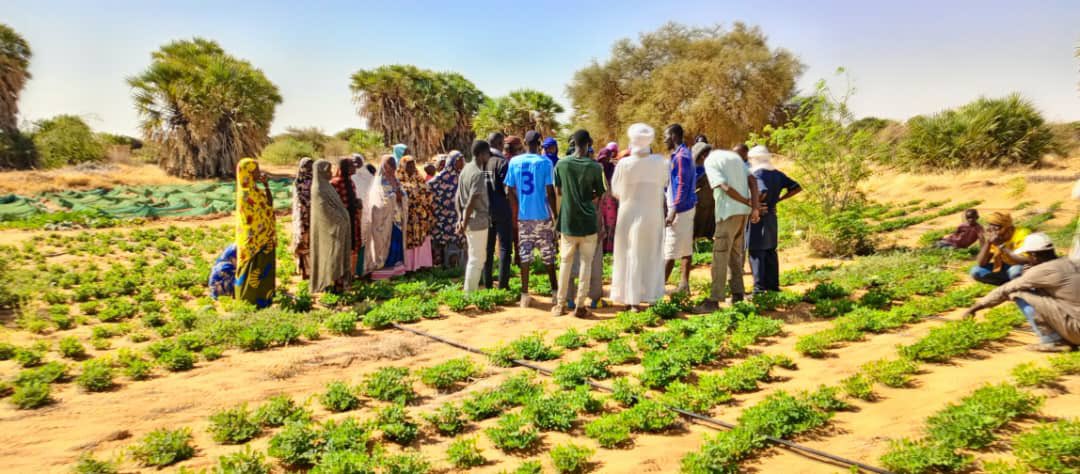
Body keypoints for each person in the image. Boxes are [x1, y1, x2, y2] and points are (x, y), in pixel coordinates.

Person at [962, 233, 1079, 352]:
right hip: (1074, 318)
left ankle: (1053, 341)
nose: (1027, 258)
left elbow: (1005, 289)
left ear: (1034, 255)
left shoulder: (1043, 270)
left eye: (1028, 255)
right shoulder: (1070, 262)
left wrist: (974, 308)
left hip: (1076, 329)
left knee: (1017, 292)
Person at [610, 123, 670, 308]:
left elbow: (616, 191)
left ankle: (631, 301)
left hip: (628, 213)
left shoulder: (624, 163)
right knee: (651, 254)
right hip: (653, 214)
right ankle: (651, 297)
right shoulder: (661, 162)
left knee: (629, 254)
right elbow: (665, 183)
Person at [553, 129, 607, 317]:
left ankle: (560, 305)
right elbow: (600, 195)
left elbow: (558, 192)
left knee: (565, 263)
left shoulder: (561, 164)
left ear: (573, 143)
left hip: (568, 222)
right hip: (588, 224)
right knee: (586, 264)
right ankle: (580, 306)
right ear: (589, 144)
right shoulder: (595, 167)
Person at [698, 149, 760, 312]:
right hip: (742, 214)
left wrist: (745, 201)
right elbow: (753, 181)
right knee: (735, 255)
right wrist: (754, 207)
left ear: (702, 156)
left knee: (720, 257)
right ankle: (738, 295)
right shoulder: (735, 158)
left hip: (727, 213)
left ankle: (714, 300)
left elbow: (723, 186)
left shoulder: (710, 161)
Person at [505, 131, 558, 308]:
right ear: (539, 143)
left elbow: (508, 190)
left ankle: (524, 295)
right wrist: (555, 216)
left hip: (523, 217)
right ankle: (555, 292)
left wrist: (517, 208)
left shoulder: (514, 162)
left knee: (525, 256)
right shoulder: (545, 162)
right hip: (542, 216)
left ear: (525, 144)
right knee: (548, 255)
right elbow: (550, 191)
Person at [746, 145, 801, 293]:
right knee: (770, 250)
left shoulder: (757, 174)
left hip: (759, 216)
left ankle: (758, 288)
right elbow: (796, 187)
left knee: (756, 251)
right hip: (771, 215)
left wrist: (755, 207)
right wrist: (779, 200)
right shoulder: (776, 173)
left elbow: (762, 190)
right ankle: (773, 286)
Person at [234, 158, 276, 308]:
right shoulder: (245, 193)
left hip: (265, 237)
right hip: (253, 241)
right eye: (256, 170)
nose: (259, 173)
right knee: (251, 269)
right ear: (248, 172)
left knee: (263, 270)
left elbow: (269, 204)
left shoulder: (256, 190)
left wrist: (266, 186)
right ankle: (247, 301)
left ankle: (263, 300)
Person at [663, 124, 698, 294]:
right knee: (685, 247)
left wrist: (673, 210)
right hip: (686, 207)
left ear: (674, 136)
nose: (664, 140)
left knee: (670, 249)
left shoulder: (681, 157)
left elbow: (682, 185)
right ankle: (684, 285)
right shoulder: (683, 154)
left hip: (680, 209)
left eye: (666, 136)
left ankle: (657, 288)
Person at [310, 159, 353, 293]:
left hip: (337, 228)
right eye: (328, 170)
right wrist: (341, 220)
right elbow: (325, 211)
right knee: (331, 254)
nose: (331, 172)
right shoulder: (318, 189)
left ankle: (338, 283)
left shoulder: (326, 186)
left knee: (338, 254)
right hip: (329, 230)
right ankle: (329, 284)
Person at [364, 155, 407, 280]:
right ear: (384, 165)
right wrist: (394, 197)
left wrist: (401, 197)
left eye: (394, 164)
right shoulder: (378, 183)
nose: (393, 167)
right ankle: (382, 272)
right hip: (384, 220)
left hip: (397, 218)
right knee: (384, 244)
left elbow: (403, 195)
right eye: (390, 164)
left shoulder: (396, 180)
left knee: (396, 242)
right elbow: (377, 203)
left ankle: (396, 270)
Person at [457, 140, 492, 294]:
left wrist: (460, 218)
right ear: (481, 154)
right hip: (477, 221)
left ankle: (470, 291)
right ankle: (469, 294)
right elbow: (472, 200)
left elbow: (457, 198)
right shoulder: (478, 174)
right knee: (477, 259)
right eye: (487, 154)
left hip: (469, 220)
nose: (488, 156)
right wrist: (463, 222)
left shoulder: (465, 170)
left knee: (475, 257)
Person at [484, 132, 514, 290]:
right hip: (502, 210)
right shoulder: (502, 162)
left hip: (485, 211)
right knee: (504, 248)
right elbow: (507, 189)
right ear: (500, 143)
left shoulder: (480, 162)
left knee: (487, 249)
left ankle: (487, 284)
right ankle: (503, 286)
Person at [970, 211, 1031, 285]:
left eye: (997, 229)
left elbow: (1025, 260)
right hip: (1004, 266)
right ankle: (1007, 285)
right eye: (991, 230)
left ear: (1007, 228)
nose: (995, 233)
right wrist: (988, 242)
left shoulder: (1022, 234)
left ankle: (1020, 288)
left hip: (1022, 267)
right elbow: (981, 263)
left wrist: (1001, 245)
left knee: (1015, 271)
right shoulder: (996, 237)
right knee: (976, 271)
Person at [397, 155, 434, 272]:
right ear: (403, 166)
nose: (412, 167)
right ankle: (409, 267)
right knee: (409, 242)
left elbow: (428, 194)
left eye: (413, 164)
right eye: (409, 165)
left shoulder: (419, 178)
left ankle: (421, 265)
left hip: (421, 218)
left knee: (421, 240)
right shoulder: (398, 180)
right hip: (408, 219)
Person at [429, 151, 465, 269]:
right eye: (459, 160)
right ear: (453, 161)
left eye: (462, 160)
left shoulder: (462, 176)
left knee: (456, 239)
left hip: (457, 216)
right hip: (442, 216)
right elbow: (430, 187)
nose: (462, 163)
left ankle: (455, 264)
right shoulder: (441, 177)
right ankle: (442, 265)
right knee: (442, 240)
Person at [330, 157, 363, 280]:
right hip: (342, 221)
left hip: (353, 219)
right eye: (351, 166)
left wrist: (357, 203)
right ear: (344, 168)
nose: (354, 168)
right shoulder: (335, 183)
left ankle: (351, 274)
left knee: (353, 246)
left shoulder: (351, 182)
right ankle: (342, 275)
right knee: (343, 248)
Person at [350, 154, 375, 276]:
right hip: (355, 213)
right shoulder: (350, 177)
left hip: (368, 212)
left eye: (358, 161)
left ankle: (366, 267)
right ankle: (356, 270)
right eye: (353, 161)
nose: (356, 163)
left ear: (363, 161)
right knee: (357, 238)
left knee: (367, 238)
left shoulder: (369, 177)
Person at [290, 157, 314, 279]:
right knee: (303, 241)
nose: (309, 169)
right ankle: (304, 270)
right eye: (307, 166)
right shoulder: (299, 181)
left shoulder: (315, 180)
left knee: (311, 243)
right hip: (303, 217)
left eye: (311, 166)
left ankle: (309, 270)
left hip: (311, 216)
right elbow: (302, 200)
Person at [596, 142, 619, 254]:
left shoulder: (613, 168)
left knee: (610, 223)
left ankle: (609, 247)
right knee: (601, 222)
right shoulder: (596, 168)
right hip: (600, 200)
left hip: (611, 200)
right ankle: (602, 246)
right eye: (603, 159)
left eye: (607, 158)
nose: (605, 161)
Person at [692, 142, 716, 240]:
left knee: (707, 222)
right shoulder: (698, 168)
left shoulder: (709, 167)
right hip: (700, 202)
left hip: (708, 201)